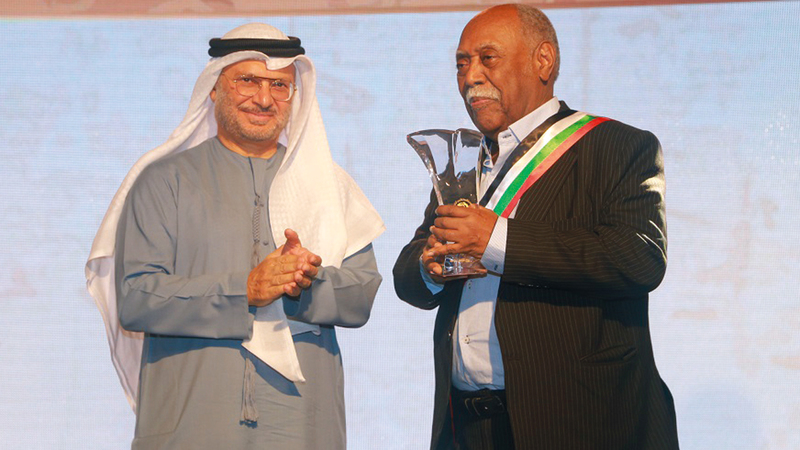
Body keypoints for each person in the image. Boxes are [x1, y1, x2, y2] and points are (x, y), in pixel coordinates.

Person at [85, 23, 385, 449]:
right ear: (214, 87)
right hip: (191, 427)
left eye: (279, 86)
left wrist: (301, 282)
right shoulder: (163, 181)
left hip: (301, 428)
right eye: (247, 80)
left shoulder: (329, 187)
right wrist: (244, 290)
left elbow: (360, 295)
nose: (264, 99)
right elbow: (136, 297)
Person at [393, 4, 679, 449]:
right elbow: (407, 277)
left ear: (543, 60)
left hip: (578, 424)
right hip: (466, 426)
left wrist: (494, 240)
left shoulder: (618, 145)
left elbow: (638, 260)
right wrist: (430, 268)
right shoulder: (468, 161)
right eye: (461, 63)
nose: (470, 77)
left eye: (487, 58)